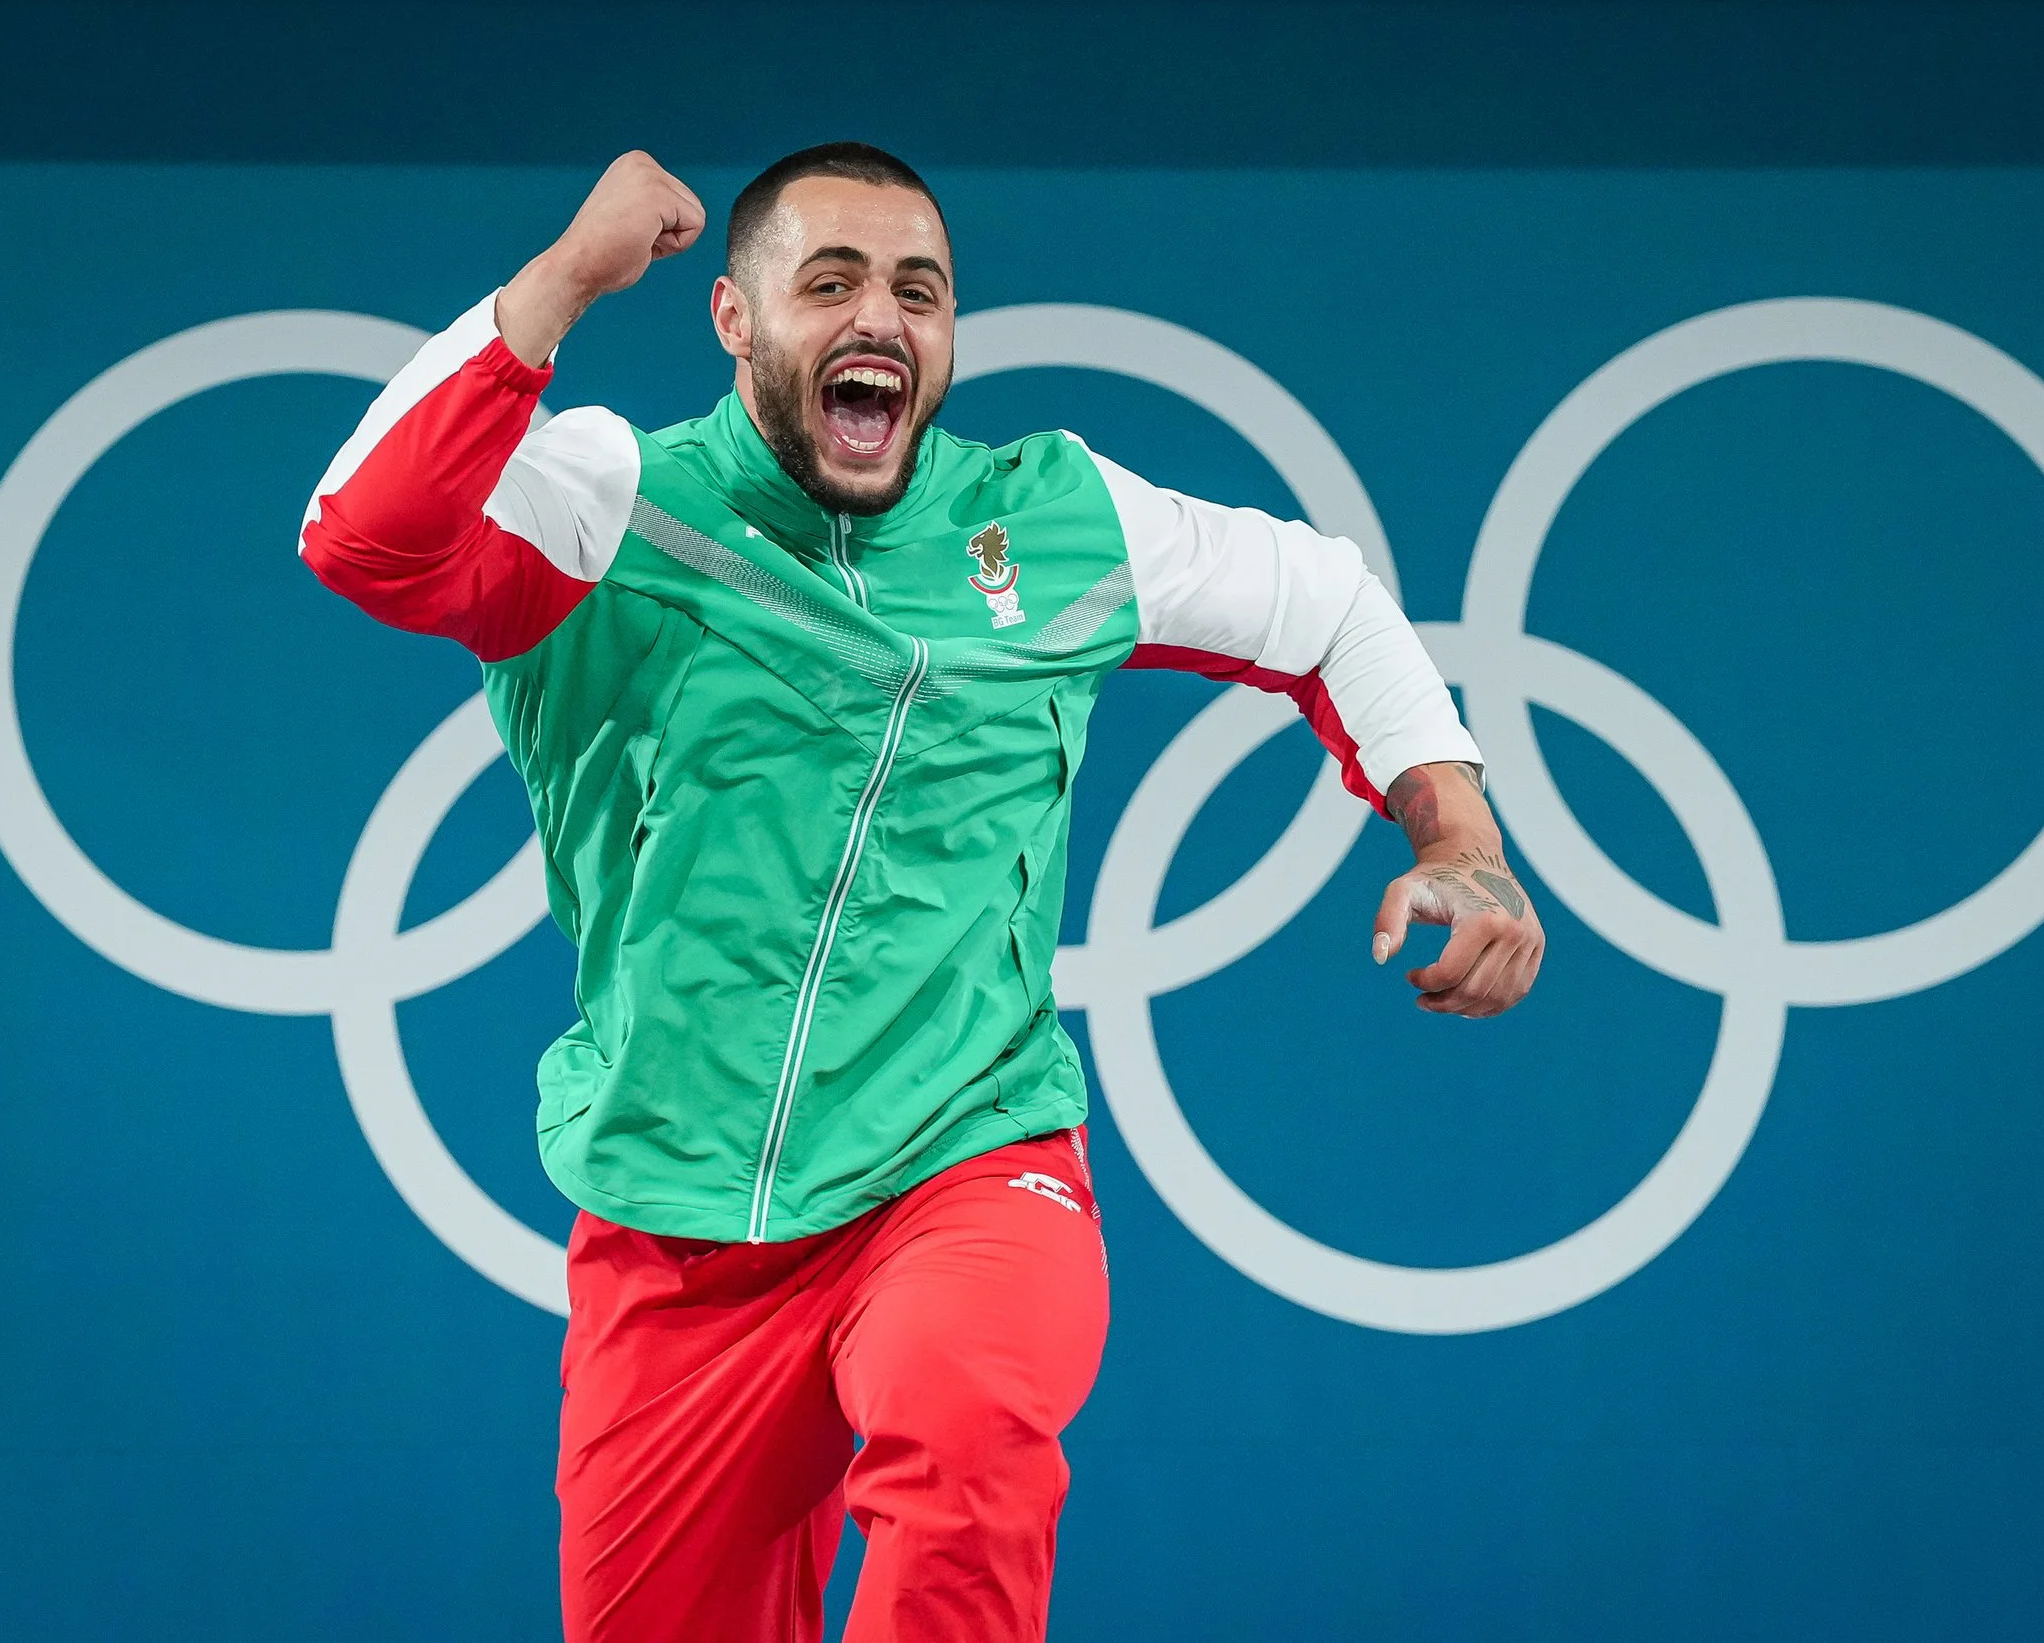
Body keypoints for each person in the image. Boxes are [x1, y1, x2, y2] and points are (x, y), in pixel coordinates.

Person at [300, 142, 1544, 1643]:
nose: (879, 317)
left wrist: (1458, 836)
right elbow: (363, 536)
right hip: (675, 1228)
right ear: (733, 320)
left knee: (967, 1433)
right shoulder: (615, 504)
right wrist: (559, 282)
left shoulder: (1059, 523)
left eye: (918, 290)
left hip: (964, 1163)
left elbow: (1329, 604)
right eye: (827, 284)